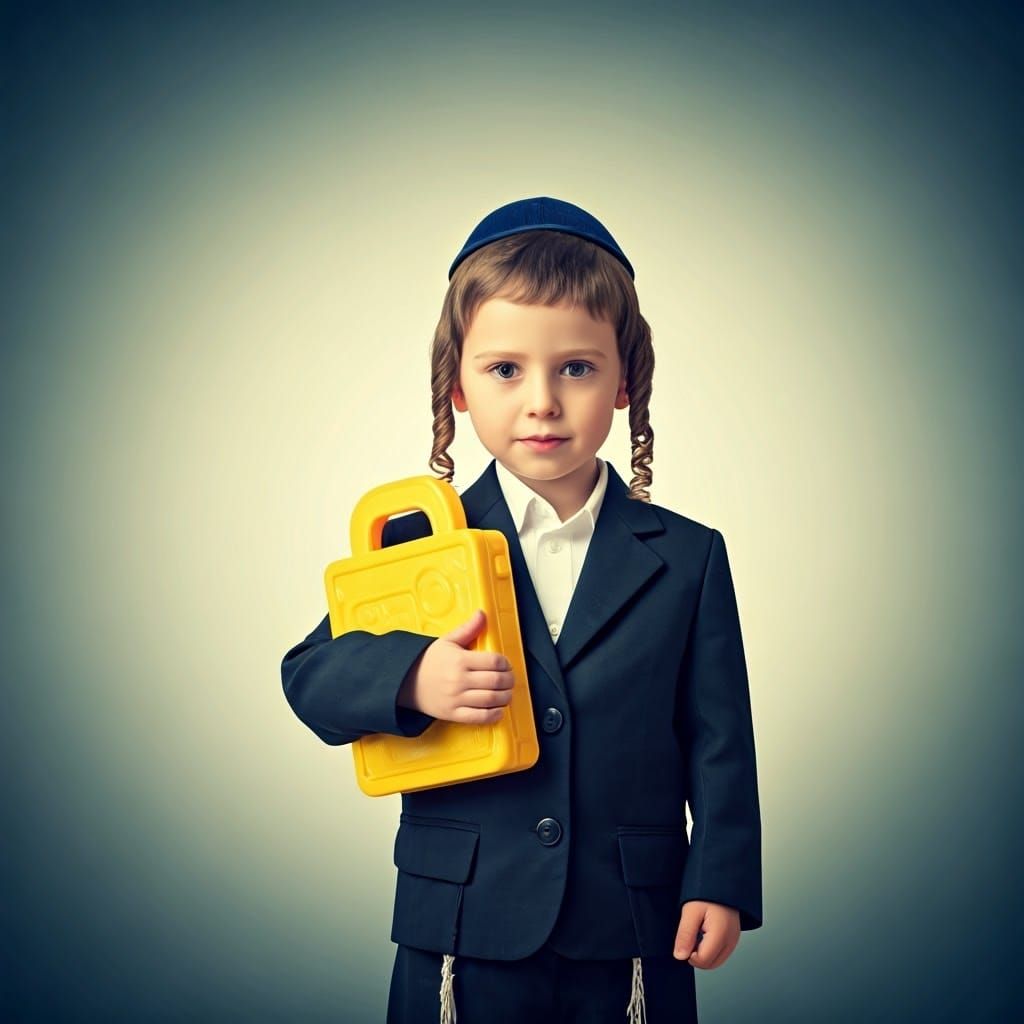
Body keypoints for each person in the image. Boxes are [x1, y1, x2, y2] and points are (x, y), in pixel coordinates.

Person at [281, 196, 762, 1023]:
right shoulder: (417, 544)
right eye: (505, 369)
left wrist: (720, 880)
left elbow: (720, 739)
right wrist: (411, 677)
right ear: (457, 386)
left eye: (575, 367)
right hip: (462, 929)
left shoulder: (690, 555)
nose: (541, 401)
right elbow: (312, 678)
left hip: (631, 924)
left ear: (623, 382)